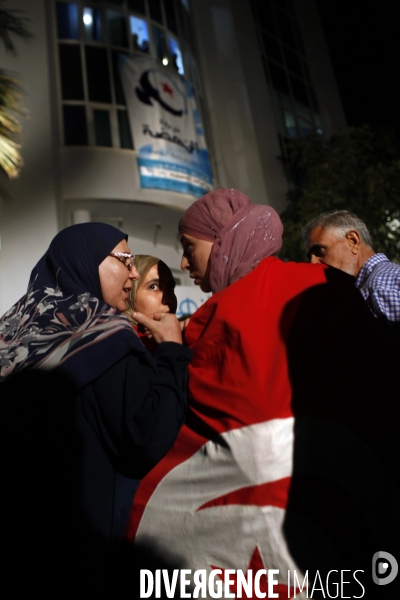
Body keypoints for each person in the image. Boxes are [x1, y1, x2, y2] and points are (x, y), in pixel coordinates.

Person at [128, 189, 400, 598]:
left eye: (189, 247)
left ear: (224, 242)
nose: (185, 264)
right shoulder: (332, 285)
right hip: (355, 503)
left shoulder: (214, 316)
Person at [0, 223, 192, 597]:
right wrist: (172, 351)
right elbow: (146, 433)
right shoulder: (101, 330)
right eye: (124, 260)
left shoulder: (14, 327)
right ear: (87, 262)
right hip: (76, 551)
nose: (133, 273)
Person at [303, 210, 400, 344]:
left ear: (353, 241)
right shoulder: (373, 288)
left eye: (319, 250)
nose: (313, 262)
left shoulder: (380, 288)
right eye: (310, 256)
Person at [123, 255, 177, 353]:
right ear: (129, 294)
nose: (168, 298)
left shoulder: (185, 338)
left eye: (170, 287)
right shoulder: (121, 345)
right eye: (153, 287)